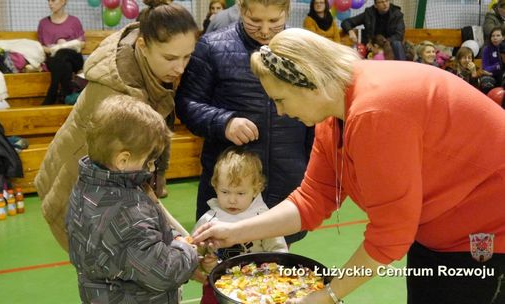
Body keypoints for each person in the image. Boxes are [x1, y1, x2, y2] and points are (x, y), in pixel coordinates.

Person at [193, 28, 505, 304]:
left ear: (310, 85)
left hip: (486, 233)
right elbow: (312, 199)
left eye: (282, 100)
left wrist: (327, 295)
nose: (280, 111)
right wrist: (234, 231)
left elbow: (390, 235)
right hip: (438, 232)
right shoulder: (333, 114)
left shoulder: (375, 112)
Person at [35, 0, 199, 251]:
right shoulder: (117, 97)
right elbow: (130, 183)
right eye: (170, 58)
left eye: (187, 56)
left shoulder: (144, 52)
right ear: (143, 45)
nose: (180, 67)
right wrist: (184, 246)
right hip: (80, 187)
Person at [175, 0, 312, 245]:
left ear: (287, 12)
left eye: (274, 21)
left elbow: (317, 119)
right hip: (230, 186)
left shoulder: (304, 49)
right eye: (255, 21)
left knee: (276, 265)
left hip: (287, 179)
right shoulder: (211, 46)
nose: (265, 30)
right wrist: (224, 122)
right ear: (241, 9)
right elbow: (186, 104)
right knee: (223, 265)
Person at [66, 95, 199, 303]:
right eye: (149, 161)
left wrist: (168, 238)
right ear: (123, 160)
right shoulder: (126, 213)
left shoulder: (87, 186)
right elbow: (162, 272)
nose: (152, 168)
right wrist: (186, 249)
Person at [193, 147, 288, 303]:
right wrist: (204, 264)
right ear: (215, 186)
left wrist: (272, 274)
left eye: (240, 193)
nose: (232, 200)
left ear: (256, 190)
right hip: (216, 287)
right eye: (225, 192)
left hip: (256, 288)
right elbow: (194, 254)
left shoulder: (263, 218)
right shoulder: (208, 220)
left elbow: (279, 251)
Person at [37, 0, 85, 105]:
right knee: (63, 63)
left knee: (62, 54)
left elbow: (81, 44)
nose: (50, 3)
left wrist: (62, 46)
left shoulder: (74, 21)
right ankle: (66, 94)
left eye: (53, 0)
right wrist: (52, 49)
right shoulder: (43, 23)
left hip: (74, 58)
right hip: (54, 59)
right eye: (48, 1)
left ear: (63, 1)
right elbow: (41, 47)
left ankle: (52, 92)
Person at [340, 0, 405, 60]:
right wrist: (350, 31)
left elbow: (399, 35)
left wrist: (382, 44)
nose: (385, 4)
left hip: (388, 46)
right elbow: (346, 22)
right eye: (381, 2)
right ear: (375, 5)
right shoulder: (369, 13)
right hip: (371, 47)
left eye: (386, 1)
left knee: (397, 44)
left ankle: (402, 68)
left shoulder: (396, 14)